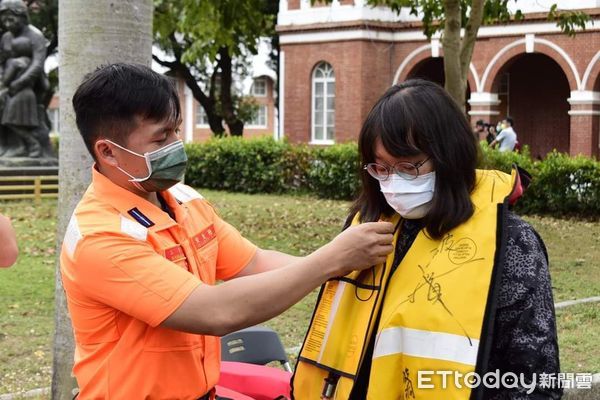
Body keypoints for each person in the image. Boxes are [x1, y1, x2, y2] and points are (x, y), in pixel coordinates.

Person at [60, 63, 395, 399]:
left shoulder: (183, 201)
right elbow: (216, 311)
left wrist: (346, 263)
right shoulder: (100, 237)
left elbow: (256, 263)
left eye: (176, 130)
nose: (177, 144)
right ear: (108, 151)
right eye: (161, 137)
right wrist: (331, 261)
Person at [292, 80, 560, 399]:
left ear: (448, 156)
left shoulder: (512, 242)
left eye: (408, 167)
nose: (393, 182)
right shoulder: (366, 230)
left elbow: (536, 381)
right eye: (381, 168)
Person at [0, 0, 51, 158]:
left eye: (11, 19)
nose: (7, 23)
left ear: (22, 16)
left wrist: (18, 83)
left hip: (29, 85)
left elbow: (37, 65)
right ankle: (8, 146)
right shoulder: (6, 37)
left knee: (12, 112)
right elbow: (1, 62)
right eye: (4, 19)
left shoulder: (35, 36)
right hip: (8, 83)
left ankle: (29, 145)